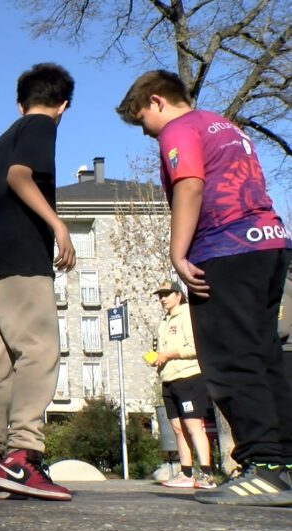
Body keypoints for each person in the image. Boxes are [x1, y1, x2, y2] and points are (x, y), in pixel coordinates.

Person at [117, 70, 292, 507]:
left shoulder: (179, 129)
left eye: (142, 120)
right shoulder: (224, 125)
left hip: (226, 249)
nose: (146, 132)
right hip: (269, 245)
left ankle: (264, 465)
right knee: (265, 355)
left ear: (156, 101)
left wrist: (178, 253)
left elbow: (190, 185)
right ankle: (284, 463)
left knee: (231, 357)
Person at [0, 63, 76, 502]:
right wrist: (58, 225)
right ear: (63, 106)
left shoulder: (4, 136)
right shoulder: (40, 126)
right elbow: (20, 175)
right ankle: (23, 456)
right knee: (40, 349)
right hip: (19, 258)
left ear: (19, 102)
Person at [151, 280, 215, 489]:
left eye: (167, 294)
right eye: (160, 295)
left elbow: (195, 347)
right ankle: (186, 473)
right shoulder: (164, 321)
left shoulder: (187, 315)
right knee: (178, 428)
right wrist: (156, 358)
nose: (162, 298)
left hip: (188, 378)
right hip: (169, 379)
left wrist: (167, 355)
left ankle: (207, 474)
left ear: (179, 295)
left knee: (193, 425)